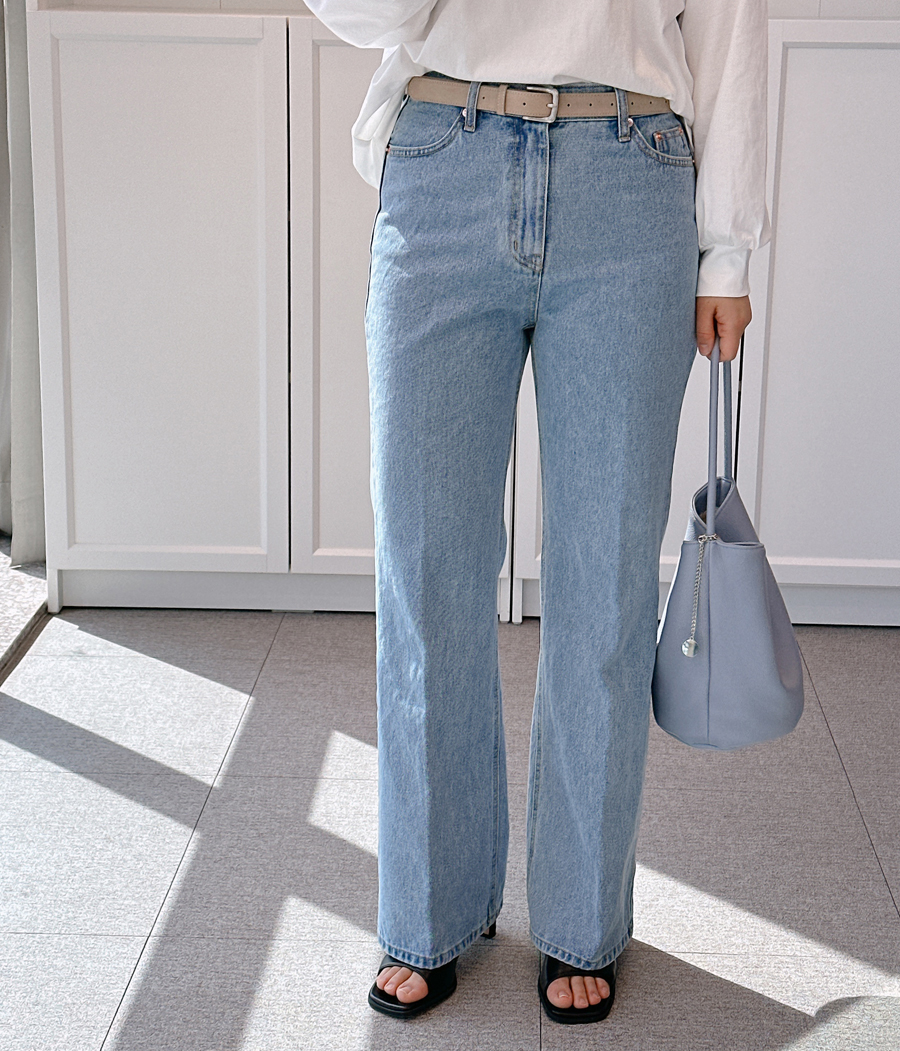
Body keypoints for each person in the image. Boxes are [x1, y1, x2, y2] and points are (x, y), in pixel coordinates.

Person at [305, 0, 768, 1025]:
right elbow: (364, 14)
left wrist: (728, 249)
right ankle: (428, 911)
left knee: (605, 585)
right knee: (425, 576)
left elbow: (731, 21)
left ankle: (581, 917)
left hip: (630, 172)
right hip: (444, 158)